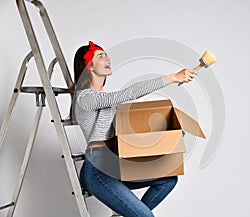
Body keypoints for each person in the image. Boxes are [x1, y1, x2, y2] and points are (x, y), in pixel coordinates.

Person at [72, 41, 197, 217]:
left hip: (116, 165)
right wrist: (173, 77)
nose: (107, 58)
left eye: (106, 54)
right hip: (98, 170)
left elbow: (128, 130)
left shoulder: (107, 100)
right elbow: (127, 94)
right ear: (89, 67)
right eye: (100, 56)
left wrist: (167, 132)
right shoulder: (84, 98)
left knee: (168, 179)